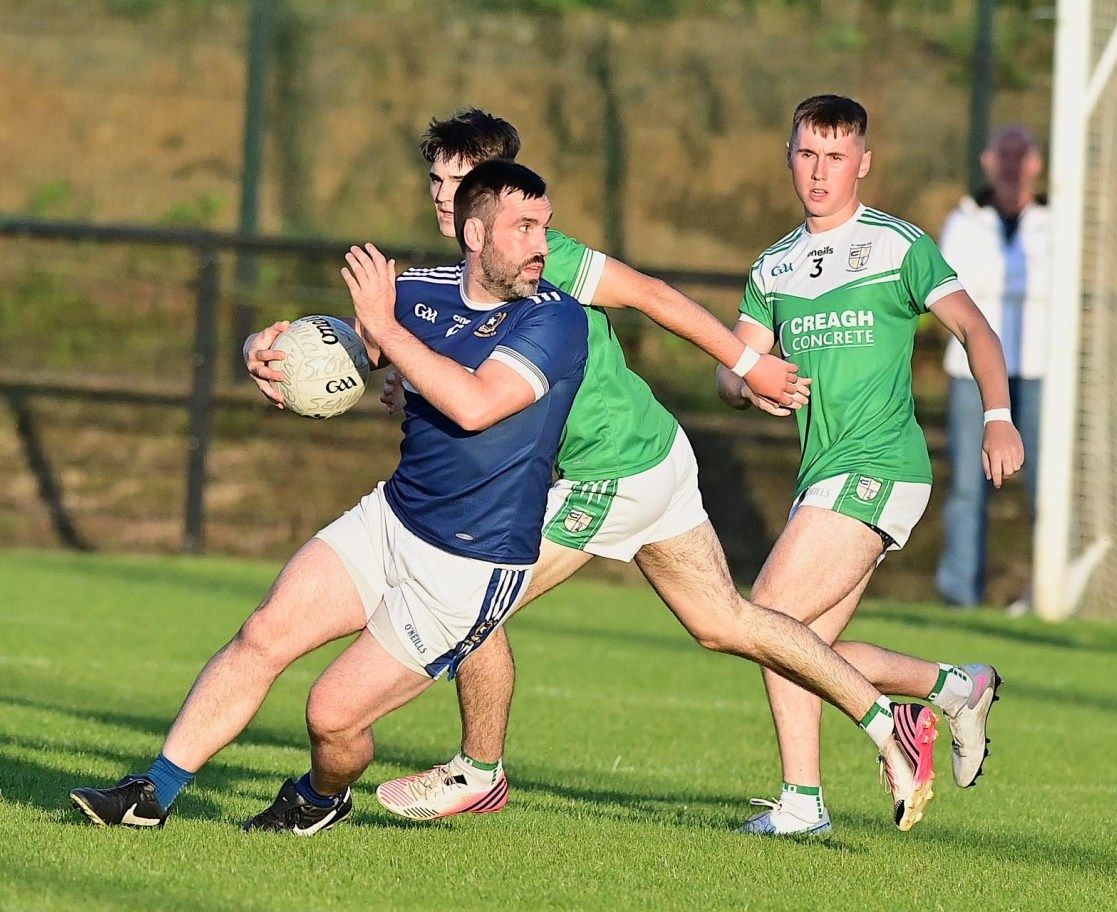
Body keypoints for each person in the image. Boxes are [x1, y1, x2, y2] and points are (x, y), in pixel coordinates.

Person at [253, 109, 943, 833]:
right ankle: (885, 718)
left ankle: (479, 773)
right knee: (724, 622)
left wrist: (747, 363)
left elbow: (649, 294)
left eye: (457, 179)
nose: (440, 193)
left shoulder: (544, 253)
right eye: (434, 178)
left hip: (611, 470)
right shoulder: (466, 273)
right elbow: (439, 349)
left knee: (478, 591)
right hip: (653, 455)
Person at [68, 161, 591, 831]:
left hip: (470, 563)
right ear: (474, 232)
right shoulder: (422, 295)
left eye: (543, 226)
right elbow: (341, 347)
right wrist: (265, 348)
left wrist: (390, 331)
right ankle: (152, 793)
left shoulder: (556, 320)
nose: (541, 244)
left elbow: (475, 406)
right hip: (393, 518)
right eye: (523, 228)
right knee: (262, 634)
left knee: (331, 718)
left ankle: (319, 796)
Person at [715, 95, 1025, 836]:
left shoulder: (896, 245)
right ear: (788, 156)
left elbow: (975, 329)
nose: (817, 172)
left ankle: (880, 747)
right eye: (805, 154)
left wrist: (996, 417)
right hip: (819, 474)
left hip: (881, 464)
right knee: (801, 650)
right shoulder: (774, 265)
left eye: (834, 156)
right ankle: (952, 688)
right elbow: (734, 365)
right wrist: (748, 381)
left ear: (861, 164)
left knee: (766, 614)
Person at [936, 126, 1048, 610]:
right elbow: (951, 291)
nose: (1011, 164)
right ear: (986, 160)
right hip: (972, 376)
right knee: (967, 486)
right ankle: (960, 593)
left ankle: (1046, 595)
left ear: (1036, 165)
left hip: (1040, 369)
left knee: (1046, 488)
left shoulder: (1058, 222)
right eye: (1003, 153)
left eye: (1020, 155)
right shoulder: (963, 222)